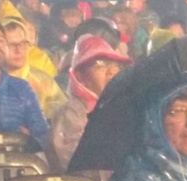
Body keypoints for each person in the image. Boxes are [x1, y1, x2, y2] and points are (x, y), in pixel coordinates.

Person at [51, 35, 132, 172]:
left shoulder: (124, 107)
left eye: (115, 65)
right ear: (80, 76)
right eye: (100, 65)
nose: (111, 71)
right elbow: (75, 158)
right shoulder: (72, 112)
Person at [0, 20, 49, 146]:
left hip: (18, 161)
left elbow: (42, 134)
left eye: (1, 41)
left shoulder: (21, 89)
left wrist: (31, 141)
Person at [3, 17, 67, 121]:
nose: (19, 50)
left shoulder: (43, 80)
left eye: (23, 44)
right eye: (11, 45)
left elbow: (62, 112)